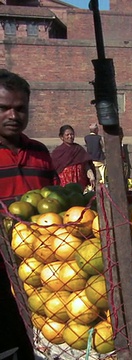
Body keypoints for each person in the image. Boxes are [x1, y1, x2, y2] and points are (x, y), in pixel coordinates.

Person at [0, 69, 57, 360]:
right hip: (0, 271)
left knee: (34, 344)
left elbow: (56, 207)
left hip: (41, 272)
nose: (13, 115)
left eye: (20, 108)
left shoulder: (40, 153)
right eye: (4, 108)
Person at [52, 125, 96, 189]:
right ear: (62, 137)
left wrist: (91, 176)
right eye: (67, 135)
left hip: (80, 184)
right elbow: (54, 169)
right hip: (63, 185)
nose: (70, 136)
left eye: (72, 134)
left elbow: (86, 165)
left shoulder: (79, 149)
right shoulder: (57, 152)